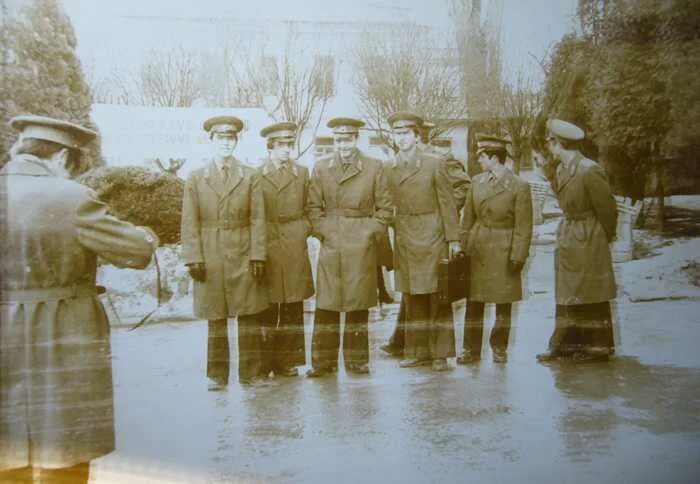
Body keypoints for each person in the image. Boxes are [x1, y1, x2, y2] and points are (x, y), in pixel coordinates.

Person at [0, 115, 158, 483]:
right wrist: (146, 236)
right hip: (64, 330)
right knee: (66, 442)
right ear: (60, 158)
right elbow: (135, 251)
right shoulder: (71, 198)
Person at [181, 116, 268, 387]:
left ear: (236, 141)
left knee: (248, 313)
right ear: (211, 141)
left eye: (231, 138)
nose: (226, 143)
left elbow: (257, 218)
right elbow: (189, 221)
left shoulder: (250, 175)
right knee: (215, 316)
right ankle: (217, 375)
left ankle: (250, 373)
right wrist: (194, 257)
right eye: (221, 138)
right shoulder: (196, 177)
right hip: (211, 252)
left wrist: (258, 254)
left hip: (242, 249)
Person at [306, 117, 393, 376]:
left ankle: (357, 361)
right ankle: (323, 363)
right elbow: (312, 208)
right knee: (327, 303)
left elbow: (385, 208)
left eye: (348, 139)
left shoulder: (373, 167)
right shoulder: (321, 168)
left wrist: (367, 233)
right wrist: (324, 232)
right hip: (332, 243)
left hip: (361, 243)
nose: (343, 144)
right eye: (338, 140)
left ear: (356, 139)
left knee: (358, 302)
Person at [380, 120, 469, 358]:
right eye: (397, 133)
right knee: (413, 294)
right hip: (405, 235)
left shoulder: (434, 163)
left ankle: (440, 354)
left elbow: (448, 204)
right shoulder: (388, 167)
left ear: (416, 135)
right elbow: (384, 203)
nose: (401, 138)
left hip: (433, 234)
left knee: (438, 293)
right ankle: (416, 353)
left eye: (406, 133)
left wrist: (453, 239)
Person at [536, 119, 617, 362]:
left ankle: (597, 346)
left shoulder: (588, 169)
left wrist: (603, 238)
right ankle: (566, 344)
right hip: (571, 233)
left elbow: (608, 210)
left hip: (589, 234)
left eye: (550, 143)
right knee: (568, 291)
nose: (549, 148)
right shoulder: (561, 169)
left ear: (558, 143)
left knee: (590, 289)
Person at [457, 135, 533, 364]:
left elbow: (524, 226)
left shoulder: (519, 186)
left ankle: (499, 347)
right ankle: (470, 350)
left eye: (482, 156)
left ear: (494, 158)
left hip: (504, 246)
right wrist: (462, 245)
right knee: (474, 300)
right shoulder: (476, 182)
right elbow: (467, 220)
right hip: (478, 247)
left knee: (503, 300)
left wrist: (519, 255)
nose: (479, 161)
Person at [257, 121, 313, 377]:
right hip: (268, 240)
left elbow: (310, 205)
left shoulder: (301, 173)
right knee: (269, 304)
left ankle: (289, 361)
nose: (287, 150)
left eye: (290, 145)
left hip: (293, 241)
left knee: (292, 303)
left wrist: (303, 228)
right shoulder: (256, 174)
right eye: (281, 146)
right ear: (270, 147)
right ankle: (266, 361)